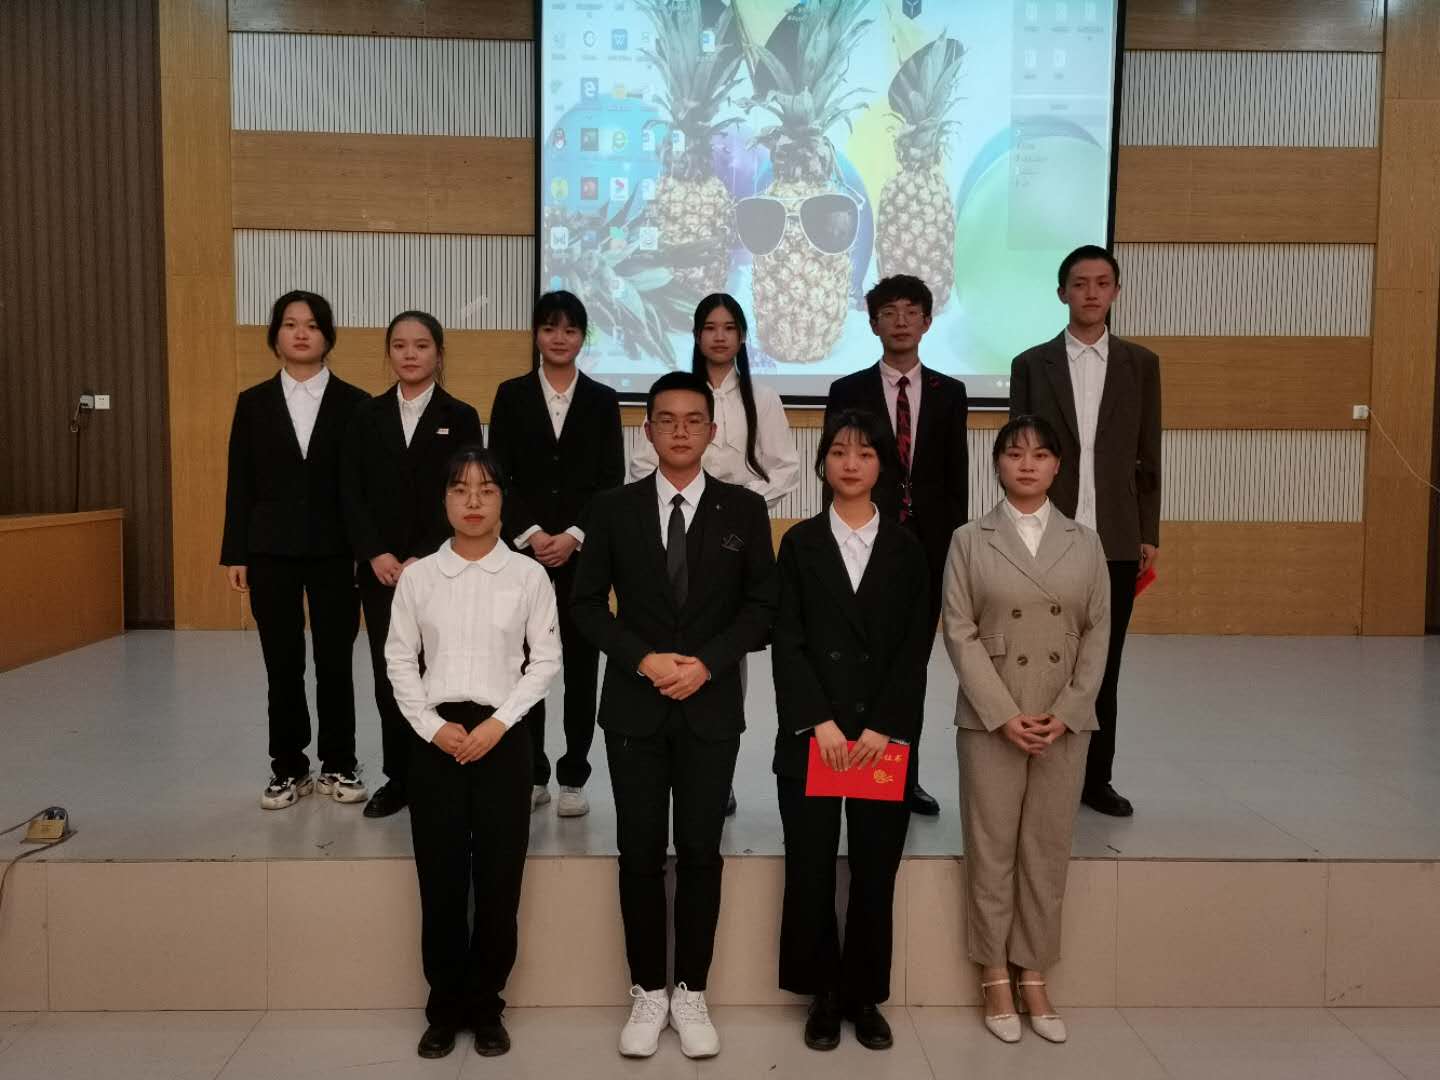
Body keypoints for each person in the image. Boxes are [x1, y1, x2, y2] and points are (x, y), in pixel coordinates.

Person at [571, 371, 778, 1060]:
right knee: (637, 852)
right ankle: (647, 990)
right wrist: (644, 659)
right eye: (667, 419)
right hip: (634, 708)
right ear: (649, 430)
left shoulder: (743, 510)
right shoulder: (612, 508)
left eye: (694, 420)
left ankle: (691, 989)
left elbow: (762, 608)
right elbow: (586, 605)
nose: (681, 431)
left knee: (699, 852)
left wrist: (707, 664)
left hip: (710, 706)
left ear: (713, 431)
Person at [384, 446, 560, 1059]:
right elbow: (399, 658)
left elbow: (546, 661)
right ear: (444, 500)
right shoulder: (419, 577)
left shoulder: (528, 576)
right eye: (460, 490)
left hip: (502, 738)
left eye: (486, 490)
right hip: (435, 741)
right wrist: (430, 726)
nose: (474, 502)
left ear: (504, 499)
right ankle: (443, 1007)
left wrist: (500, 723)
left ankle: (487, 1007)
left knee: (498, 879)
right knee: (440, 879)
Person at [941, 415, 1110, 1045]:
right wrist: (1003, 712)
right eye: (1014, 454)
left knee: (1046, 846)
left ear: (1058, 466)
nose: (1028, 465)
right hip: (992, 717)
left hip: (1064, 719)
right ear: (997, 465)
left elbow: (1099, 632)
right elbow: (958, 628)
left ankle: (1033, 969)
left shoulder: (1086, 542)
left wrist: (1068, 711)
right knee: (991, 847)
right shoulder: (969, 539)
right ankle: (993, 971)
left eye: (1040, 455)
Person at [771, 408, 932, 1052]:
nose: (850, 463)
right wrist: (819, 721)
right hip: (817, 735)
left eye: (865, 453)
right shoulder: (799, 543)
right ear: (821, 463)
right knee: (810, 867)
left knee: (874, 870)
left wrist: (885, 726)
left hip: (878, 740)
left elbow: (914, 647)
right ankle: (821, 992)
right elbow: (787, 639)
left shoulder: (907, 548)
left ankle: (864, 993)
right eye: (838, 451)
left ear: (882, 467)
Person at [630, 293, 799, 817]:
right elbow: (639, 465)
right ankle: (661, 755)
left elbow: (785, 467)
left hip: (732, 534)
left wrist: (738, 505)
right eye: (709, 327)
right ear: (696, 336)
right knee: (667, 631)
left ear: (743, 336)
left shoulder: (762, 396)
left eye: (729, 328)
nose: (719, 337)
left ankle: (716, 773)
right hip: (673, 524)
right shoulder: (676, 395)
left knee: (727, 648)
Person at [1009, 245, 1161, 818]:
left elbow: (1149, 453)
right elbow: (1018, 454)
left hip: (1117, 537)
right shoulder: (1032, 364)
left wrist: (1148, 529)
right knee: (1043, 659)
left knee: (1103, 663)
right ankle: (1039, 771)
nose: (1091, 293)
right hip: (1049, 534)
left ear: (1116, 291)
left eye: (1102, 283)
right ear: (1062, 293)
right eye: (1079, 283)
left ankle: (1097, 779)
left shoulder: (1141, 364)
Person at [824, 274, 969, 817]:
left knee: (910, 665)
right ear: (873, 323)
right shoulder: (847, 390)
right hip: (863, 540)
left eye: (911, 311)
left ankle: (902, 776)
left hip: (926, 549)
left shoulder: (950, 393)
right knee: (855, 659)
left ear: (927, 322)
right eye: (889, 311)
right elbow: (836, 471)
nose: (901, 321)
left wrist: (954, 548)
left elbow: (956, 478)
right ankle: (846, 768)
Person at [221, 290, 369, 810]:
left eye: (311, 324)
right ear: (275, 335)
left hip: (337, 551)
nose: (301, 333)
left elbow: (363, 487)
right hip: (270, 551)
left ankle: (339, 762)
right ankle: (287, 766)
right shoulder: (253, 402)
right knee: (281, 664)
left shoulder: (356, 403)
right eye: (289, 324)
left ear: (328, 335)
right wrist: (236, 552)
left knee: (335, 662)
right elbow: (240, 481)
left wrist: (366, 548)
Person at [341, 310, 483, 819]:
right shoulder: (366, 415)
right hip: (380, 571)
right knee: (393, 675)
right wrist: (374, 552)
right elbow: (350, 490)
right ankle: (399, 777)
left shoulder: (460, 415)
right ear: (389, 353)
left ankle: (439, 773)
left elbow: (465, 491)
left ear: (438, 354)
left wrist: (423, 554)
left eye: (421, 345)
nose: (410, 354)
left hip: (440, 566)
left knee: (440, 669)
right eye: (400, 345)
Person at [488, 291, 623, 818]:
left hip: (582, 556)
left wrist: (573, 535)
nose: (559, 338)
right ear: (536, 335)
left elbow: (610, 479)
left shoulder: (602, 399)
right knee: (525, 665)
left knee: (581, 668)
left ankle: (574, 775)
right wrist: (530, 533)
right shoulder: (511, 394)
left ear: (583, 337)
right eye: (549, 328)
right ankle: (532, 771)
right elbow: (499, 474)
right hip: (522, 556)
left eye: (570, 329)